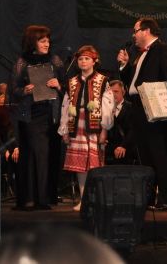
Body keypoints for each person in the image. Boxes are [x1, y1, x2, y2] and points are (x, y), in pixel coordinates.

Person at [117, 18, 167, 211]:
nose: (133, 35)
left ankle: (166, 199)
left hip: (157, 109)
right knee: (145, 155)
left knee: (161, 154)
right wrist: (125, 66)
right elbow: (132, 83)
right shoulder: (141, 55)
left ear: (146, 30)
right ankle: (148, 198)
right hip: (139, 108)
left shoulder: (163, 49)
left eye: (135, 31)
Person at [11, 25, 64, 210]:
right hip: (31, 115)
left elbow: (68, 86)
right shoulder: (22, 62)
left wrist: (59, 85)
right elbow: (14, 90)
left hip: (52, 114)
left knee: (48, 154)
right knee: (35, 154)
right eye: (42, 41)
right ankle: (33, 198)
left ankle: (44, 197)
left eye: (48, 40)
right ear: (33, 42)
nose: (47, 44)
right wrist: (24, 90)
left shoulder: (55, 60)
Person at [59, 45, 114, 211]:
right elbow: (65, 106)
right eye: (81, 59)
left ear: (94, 61)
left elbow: (108, 107)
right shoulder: (72, 82)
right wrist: (64, 129)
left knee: (94, 165)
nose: (83, 61)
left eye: (87, 58)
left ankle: (95, 199)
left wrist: (104, 129)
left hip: (94, 126)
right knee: (80, 165)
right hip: (76, 126)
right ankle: (84, 199)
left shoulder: (103, 81)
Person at [105, 80, 137, 165]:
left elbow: (133, 130)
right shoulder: (104, 109)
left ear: (123, 92)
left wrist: (123, 146)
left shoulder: (131, 107)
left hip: (127, 152)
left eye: (116, 91)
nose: (113, 94)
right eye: (110, 92)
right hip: (109, 153)